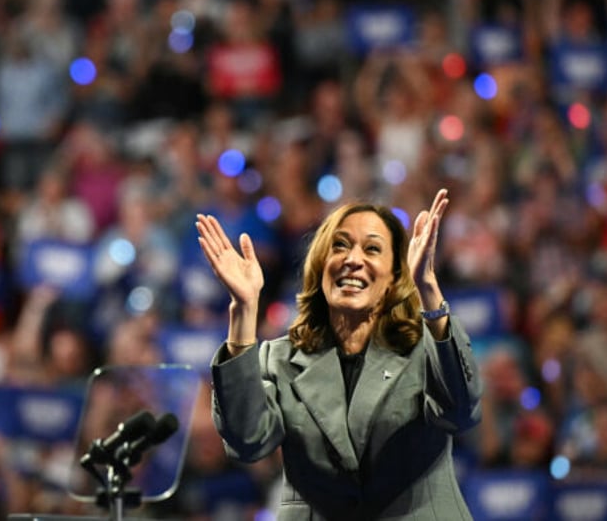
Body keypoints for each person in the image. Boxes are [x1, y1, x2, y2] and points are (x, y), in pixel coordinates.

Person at [196, 188, 483, 520]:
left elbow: (460, 412)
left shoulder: (426, 349)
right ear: (320, 268)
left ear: (393, 278)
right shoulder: (279, 358)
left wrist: (429, 291)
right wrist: (243, 310)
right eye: (340, 245)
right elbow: (248, 441)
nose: (353, 259)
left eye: (372, 249)